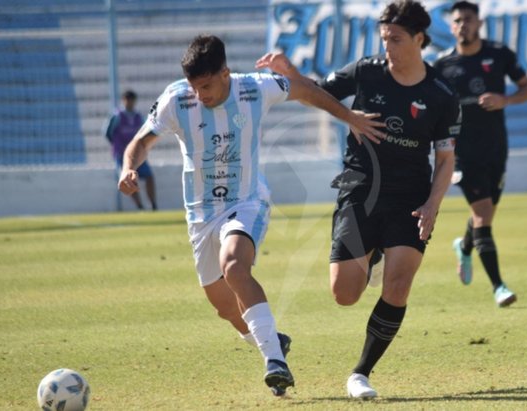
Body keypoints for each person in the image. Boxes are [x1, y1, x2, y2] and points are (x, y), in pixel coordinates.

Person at [118, 34, 385, 397]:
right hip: (200, 214)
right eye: (195, 87)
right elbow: (139, 143)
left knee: (234, 265)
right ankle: (274, 340)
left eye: (207, 85)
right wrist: (128, 169)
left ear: (226, 73)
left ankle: (275, 362)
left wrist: (349, 116)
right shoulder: (175, 98)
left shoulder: (254, 89)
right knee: (225, 307)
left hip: (246, 201)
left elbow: (307, 91)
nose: (200, 95)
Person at [257, 0, 460, 398]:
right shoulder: (366, 73)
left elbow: (446, 157)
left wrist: (434, 203)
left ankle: (361, 372)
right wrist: (293, 74)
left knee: (399, 285)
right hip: (360, 190)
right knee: (345, 294)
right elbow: (313, 93)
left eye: (396, 40)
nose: (389, 47)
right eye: (385, 39)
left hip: (410, 198)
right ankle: (374, 255)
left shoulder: (441, 95)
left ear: (419, 40)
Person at [433, 1, 527, 307]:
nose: (463, 24)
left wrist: (505, 100)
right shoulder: (441, 66)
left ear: (478, 23)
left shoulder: (500, 54)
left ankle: (464, 247)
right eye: (457, 20)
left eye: (468, 19)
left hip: (495, 148)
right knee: (482, 214)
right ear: (451, 27)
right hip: (461, 154)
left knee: (485, 211)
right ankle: (499, 287)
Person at [105, 90, 157, 211]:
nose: (130, 103)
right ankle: (140, 207)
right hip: (122, 154)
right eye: (127, 100)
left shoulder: (138, 117)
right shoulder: (117, 115)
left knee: (149, 176)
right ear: (123, 100)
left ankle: (153, 205)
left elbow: (145, 132)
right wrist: (116, 146)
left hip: (137, 153)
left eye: (132, 100)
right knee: (129, 179)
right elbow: (108, 133)